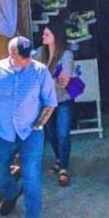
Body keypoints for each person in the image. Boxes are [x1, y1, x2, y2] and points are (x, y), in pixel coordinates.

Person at [0, 37, 57, 218]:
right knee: (0, 170)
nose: (27, 61)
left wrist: (38, 126)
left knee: (32, 177)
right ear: (11, 54)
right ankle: (12, 192)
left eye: (29, 56)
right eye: (22, 58)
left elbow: (50, 103)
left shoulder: (40, 71)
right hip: (3, 133)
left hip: (30, 134)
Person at [33, 23, 75, 186]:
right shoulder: (38, 53)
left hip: (63, 99)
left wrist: (44, 82)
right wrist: (52, 81)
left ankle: (64, 167)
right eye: (43, 34)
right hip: (45, 102)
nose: (43, 37)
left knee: (63, 133)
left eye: (47, 34)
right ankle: (59, 158)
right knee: (52, 134)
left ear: (56, 36)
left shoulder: (66, 54)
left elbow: (64, 81)